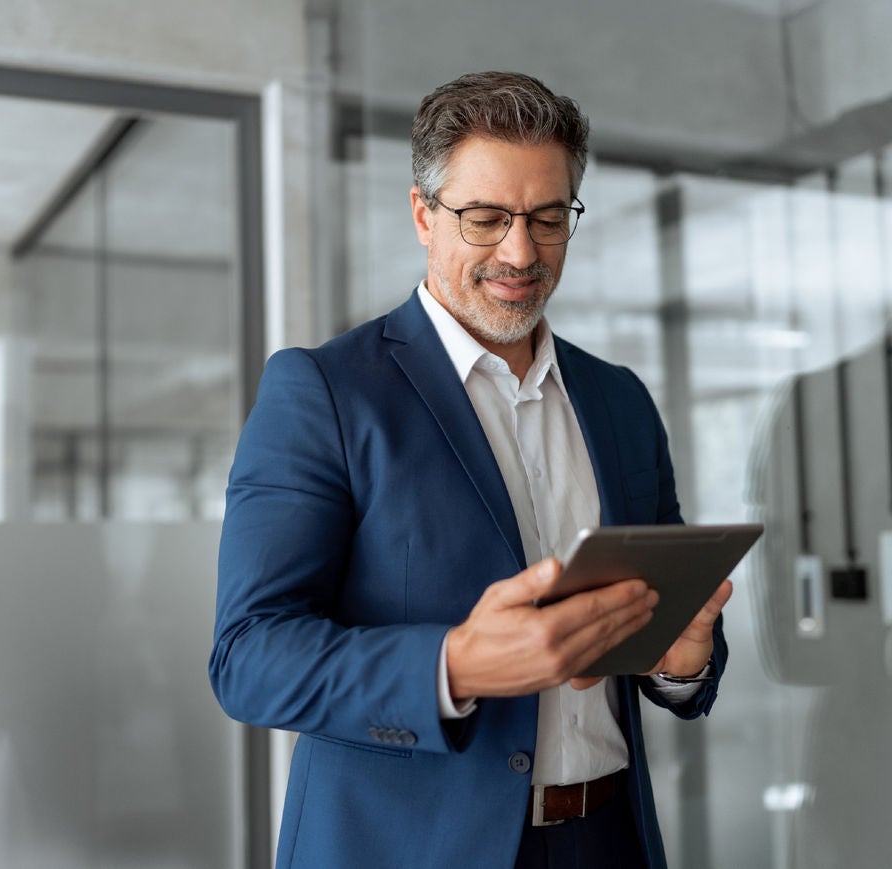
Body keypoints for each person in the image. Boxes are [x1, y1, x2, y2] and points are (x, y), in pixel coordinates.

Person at [208, 71, 731, 869]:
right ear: (424, 214)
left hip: (610, 839)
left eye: (548, 218)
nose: (520, 252)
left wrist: (680, 661)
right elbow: (248, 656)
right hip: (410, 848)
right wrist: (452, 665)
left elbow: (666, 625)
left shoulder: (619, 398)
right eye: (485, 218)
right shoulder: (324, 391)